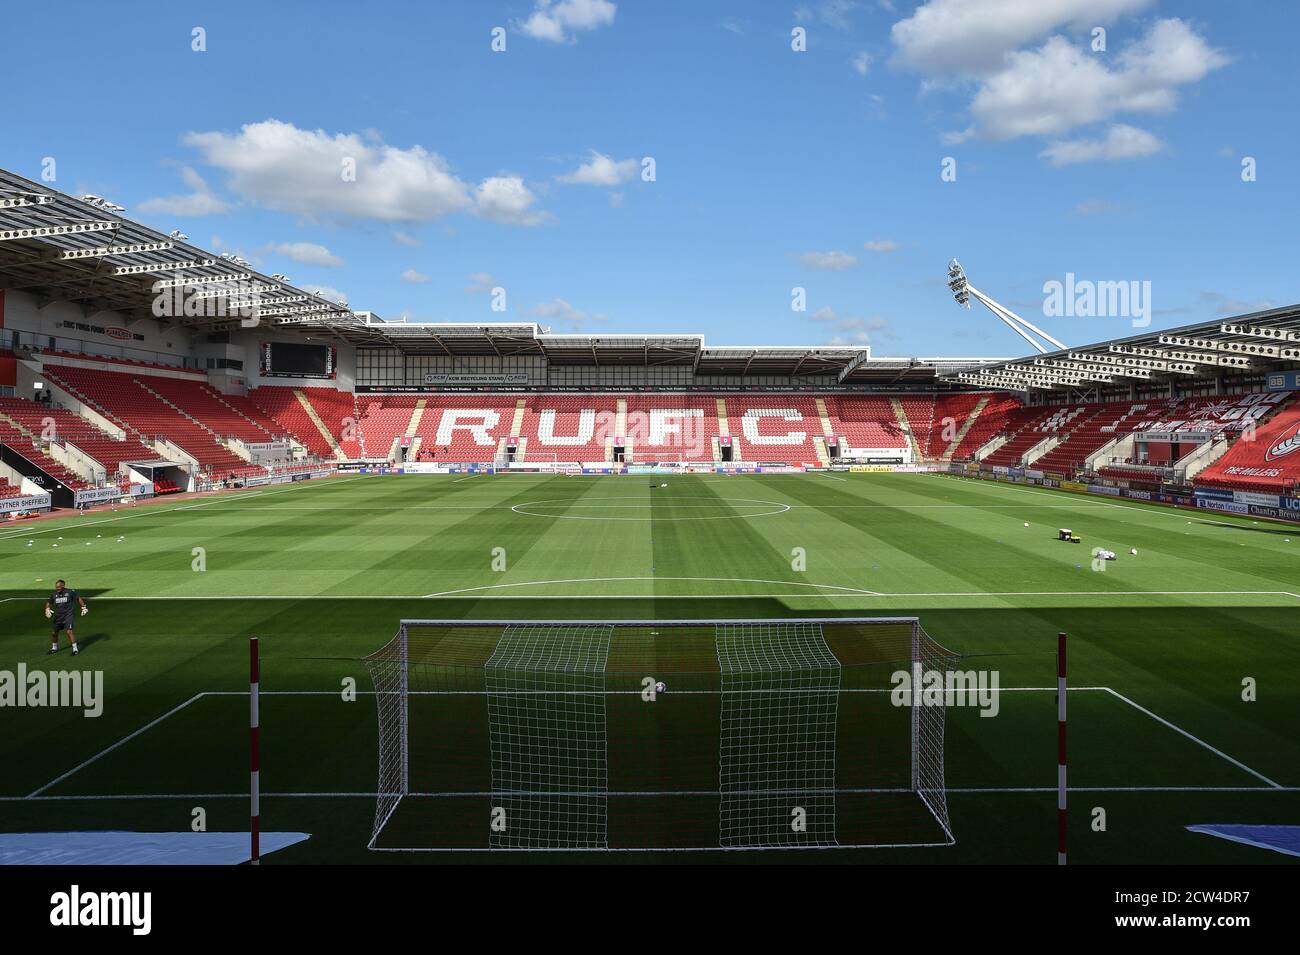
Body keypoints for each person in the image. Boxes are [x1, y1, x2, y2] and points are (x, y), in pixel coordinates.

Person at [45, 579, 88, 656]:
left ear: (63, 586)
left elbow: (78, 598)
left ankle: (75, 649)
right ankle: (54, 648)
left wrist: (83, 607)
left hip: (68, 615)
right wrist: (47, 608)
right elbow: (49, 602)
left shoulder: (70, 592)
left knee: (69, 632)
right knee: (54, 633)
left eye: (58, 587)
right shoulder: (54, 594)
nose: (57, 588)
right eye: (56, 587)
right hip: (59, 616)